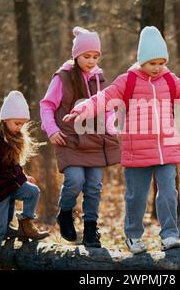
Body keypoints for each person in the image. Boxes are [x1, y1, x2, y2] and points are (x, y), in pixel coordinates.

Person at [63, 26, 180, 254]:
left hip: (166, 150)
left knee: (168, 192)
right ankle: (133, 236)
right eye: (152, 63)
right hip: (137, 152)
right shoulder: (128, 81)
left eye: (161, 62)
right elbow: (104, 98)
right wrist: (82, 109)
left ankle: (170, 235)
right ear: (142, 61)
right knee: (136, 197)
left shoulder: (170, 81)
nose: (157, 68)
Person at [40, 27, 120, 248]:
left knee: (94, 185)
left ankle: (91, 230)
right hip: (68, 138)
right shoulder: (62, 77)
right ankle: (65, 213)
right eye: (87, 56)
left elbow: (108, 108)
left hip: (95, 139)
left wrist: (111, 130)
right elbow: (47, 105)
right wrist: (52, 130)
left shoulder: (99, 79)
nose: (91, 61)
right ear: (76, 55)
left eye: (96, 56)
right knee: (75, 180)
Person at [0, 90, 49, 269]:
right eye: (16, 123)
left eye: (22, 124)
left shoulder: (14, 139)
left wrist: (22, 179)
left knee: (32, 191)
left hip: (9, 186)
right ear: (5, 119)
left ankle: (26, 224)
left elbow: (14, 167)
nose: (19, 127)